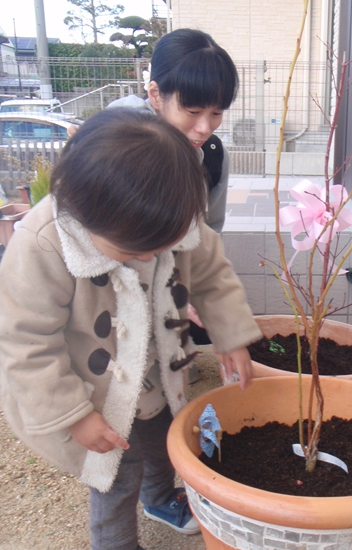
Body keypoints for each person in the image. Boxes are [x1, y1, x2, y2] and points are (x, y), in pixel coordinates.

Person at [0, 108, 262, 550]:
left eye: (162, 249)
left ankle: (159, 498)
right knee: (115, 476)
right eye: (131, 251)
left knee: (164, 440)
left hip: (157, 370)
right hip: (95, 393)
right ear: (85, 216)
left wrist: (230, 333)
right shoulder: (44, 244)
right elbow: (25, 342)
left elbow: (212, 272)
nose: (148, 260)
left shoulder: (167, 212)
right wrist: (75, 415)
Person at [107, 28, 239, 348]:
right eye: (192, 112)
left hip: (169, 300)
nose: (205, 127)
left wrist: (192, 289)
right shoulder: (112, 146)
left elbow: (207, 235)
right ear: (155, 95)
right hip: (109, 306)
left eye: (217, 113)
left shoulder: (212, 157)